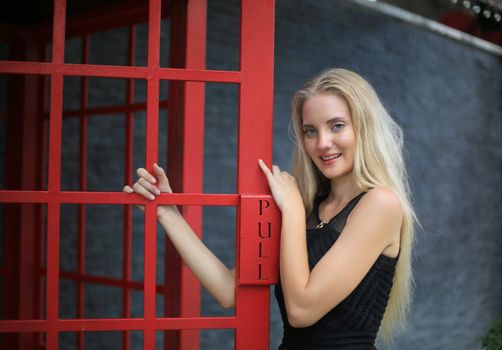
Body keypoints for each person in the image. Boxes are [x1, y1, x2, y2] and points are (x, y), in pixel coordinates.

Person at [124, 68, 417, 349]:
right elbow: (229, 290)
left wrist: (290, 211)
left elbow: (302, 310)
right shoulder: (307, 208)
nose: (322, 143)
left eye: (337, 125)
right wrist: (168, 214)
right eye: (310, 131)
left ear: (364, 127)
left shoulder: (380, 203)